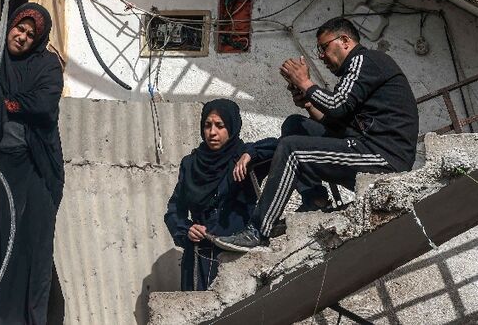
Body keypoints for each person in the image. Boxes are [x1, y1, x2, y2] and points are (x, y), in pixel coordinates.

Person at [210, 17, 419, 252]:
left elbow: (337, 105)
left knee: (292, 149)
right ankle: (315, 200)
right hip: (362, 144)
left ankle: (258, 231)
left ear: (345, 41)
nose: (321, 56)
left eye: (324, 47)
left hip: (384, 157)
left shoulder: (364, 60)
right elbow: (336, 121)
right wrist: (307, 103)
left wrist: (306, 83)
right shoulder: (354, 72)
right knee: (295, 125)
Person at [0, 3, 65, 324]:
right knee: (1, 244)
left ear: (39, 39)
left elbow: (45, 105)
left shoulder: (47, 65)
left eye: (31, 35)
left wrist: (9, 103)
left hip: (36, 170)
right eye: (20, 28)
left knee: (33, 248)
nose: (22, 37)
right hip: (0, 169)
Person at [164, 99, 276, 290]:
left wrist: (251, 153)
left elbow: (281, 146)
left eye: (220, 126)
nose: (212, 132)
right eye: (207, 125)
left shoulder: (243, 158)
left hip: (236, 256)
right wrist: (186, 230)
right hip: (199, 257)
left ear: (232, 127)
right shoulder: (191, 164)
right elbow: (174, 211)